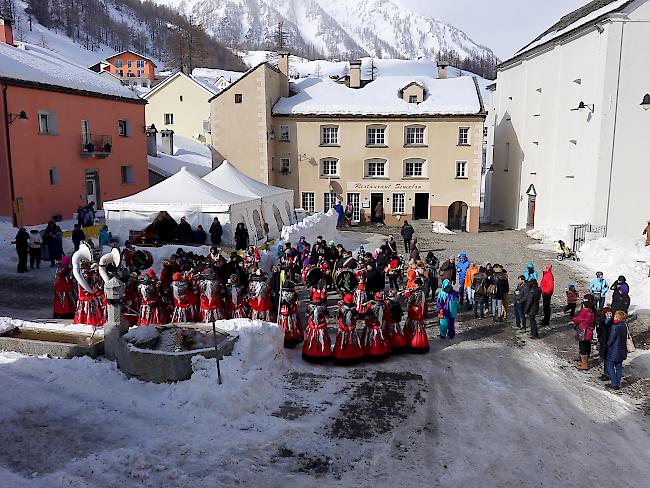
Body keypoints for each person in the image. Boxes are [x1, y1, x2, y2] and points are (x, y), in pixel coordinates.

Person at [333, 294, 365, 363]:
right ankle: (353, 355)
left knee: (342, 342)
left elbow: (338, 317)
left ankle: (341, 355)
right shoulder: (353, 309)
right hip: (351, 329)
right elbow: (357, 316)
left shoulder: (342, 308)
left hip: (343, 329)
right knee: (353, 342)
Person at [362, 292, 391, 360]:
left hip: (371, 325)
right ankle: (382, 350)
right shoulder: (384, 305)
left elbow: (367, 316)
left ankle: (369, 351)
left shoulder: (371, 306)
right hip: (380, 324)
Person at [404, 278, 429, 352]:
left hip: (413, 311)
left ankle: (412, 343)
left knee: (411, 326)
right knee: (419, 326)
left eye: (416, 284)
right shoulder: (423, 292)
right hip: (419, 311)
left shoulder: (414, 294)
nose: (415, 285)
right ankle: (421, 342)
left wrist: (407, 294)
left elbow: (408, 302)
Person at [605, 311, 628, 390]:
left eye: (615, 316)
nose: (613, 317)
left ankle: (614, 383)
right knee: (619, 366)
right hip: (621, 349)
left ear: (618, 318)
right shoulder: (624, 325)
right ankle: (618, 382)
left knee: (610, 365)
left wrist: (607, 344)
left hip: (614, 350)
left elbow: (612, 338)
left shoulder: (615, 326)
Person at [573, 295, 596, 371]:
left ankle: (584, 364)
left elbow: (577, 319)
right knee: (587, 346)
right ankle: (584, 361)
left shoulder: (585, 311)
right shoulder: (592, 311)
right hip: (589, 331)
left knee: (583, 347)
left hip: (583, 332)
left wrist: (574, 318)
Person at [597, 307, 614, 381]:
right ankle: (606, 373)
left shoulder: (613, 323)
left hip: (610, 343)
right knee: (605, 359)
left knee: (608, 360)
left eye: (610, 313)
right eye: (607, 313)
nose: (609, 315)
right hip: (603, 343)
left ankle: (608, 374)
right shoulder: (602, 322)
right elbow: (599, 332)